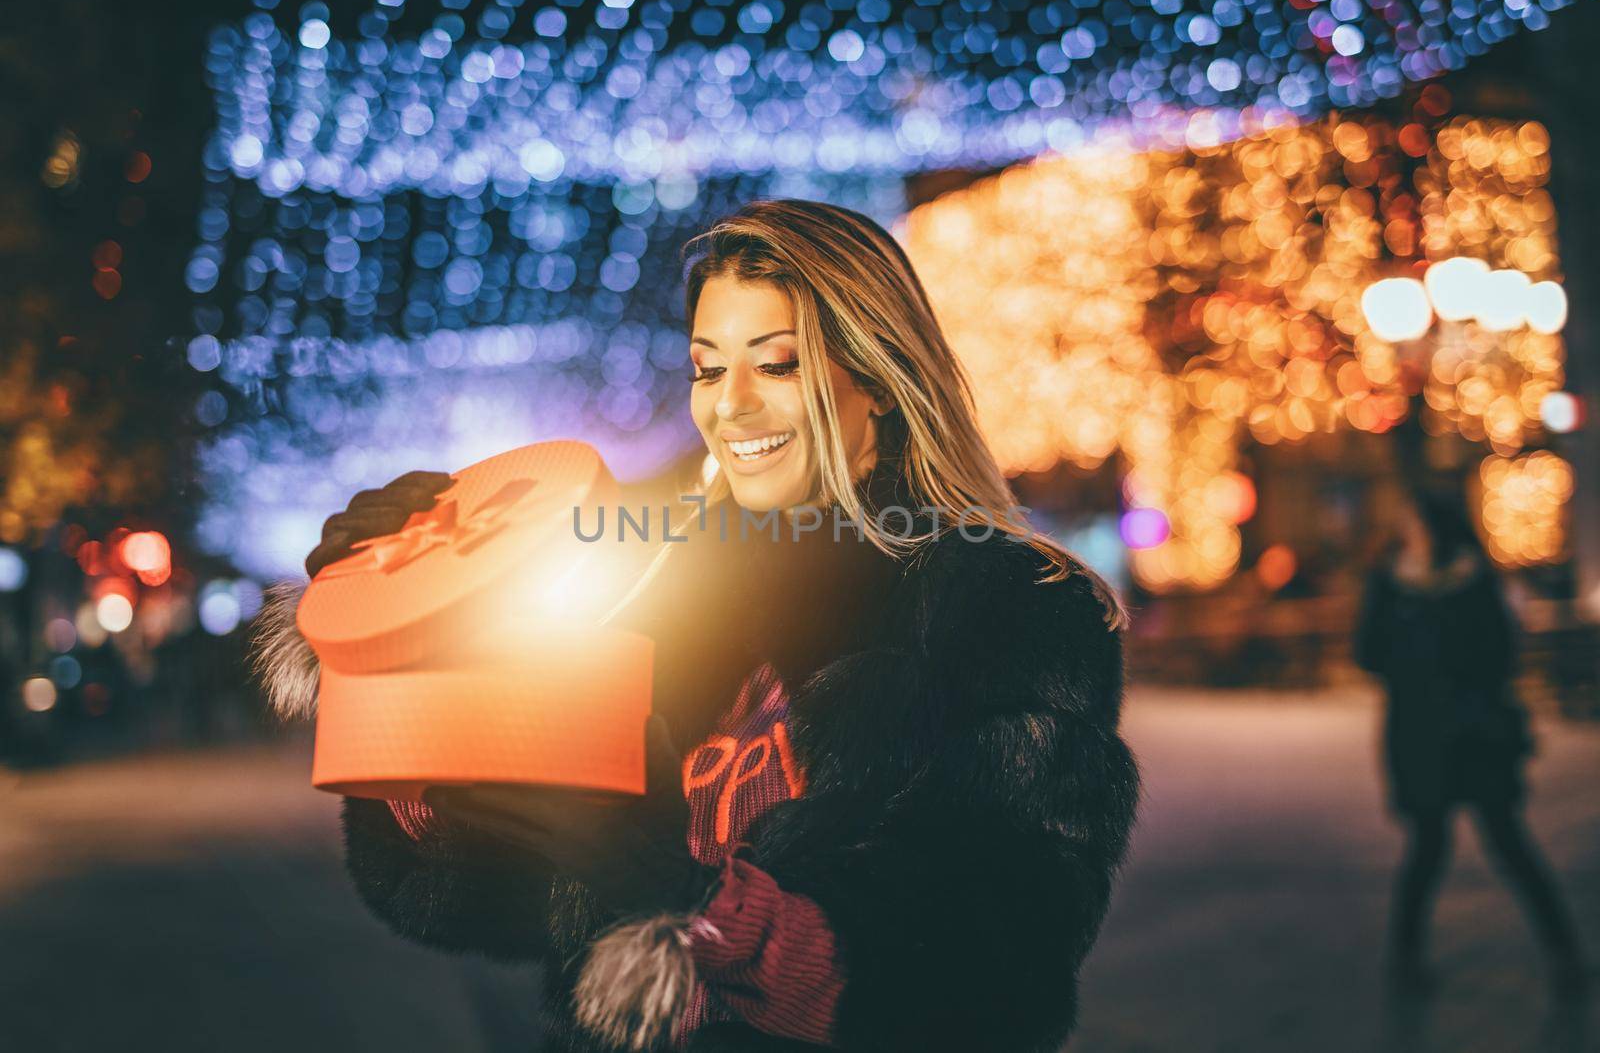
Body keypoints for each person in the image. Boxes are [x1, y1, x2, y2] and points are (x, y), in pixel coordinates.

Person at [259, 199, 1140, 1051]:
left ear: (878, 376)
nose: (732, 405)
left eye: (779, 363)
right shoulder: (667, 584)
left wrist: (697, 900)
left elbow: (993, 975)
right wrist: (388, 623)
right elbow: (483, 881)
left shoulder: (1009, 606)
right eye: (709, 368)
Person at [1354, 486, 1585, 997]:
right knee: (1429, 846)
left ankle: (1563, 950)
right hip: (1420, 737)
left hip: (1476, 734)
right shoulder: (1390, 583)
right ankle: (1406, 959)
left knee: (1506, 839)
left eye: (1413, 522)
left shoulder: (1473, 579)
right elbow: (1368, 653)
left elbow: (1501, 654)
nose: (1407, 533)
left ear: (1434, 526)